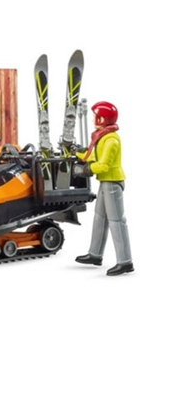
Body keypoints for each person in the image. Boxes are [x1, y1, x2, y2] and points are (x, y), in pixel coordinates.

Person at [74, 101, 134, 276]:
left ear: (102, 119)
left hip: (112, 183)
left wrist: (85, 170)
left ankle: (125, 261)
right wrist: (77, 153)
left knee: (116, 221)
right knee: (100, 218)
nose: (93, 119)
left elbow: (103, 165)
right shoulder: (103, 137)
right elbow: (94, 155)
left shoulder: (111, 140)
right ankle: (95, 254)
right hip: (105, 182)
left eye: (96, 116)